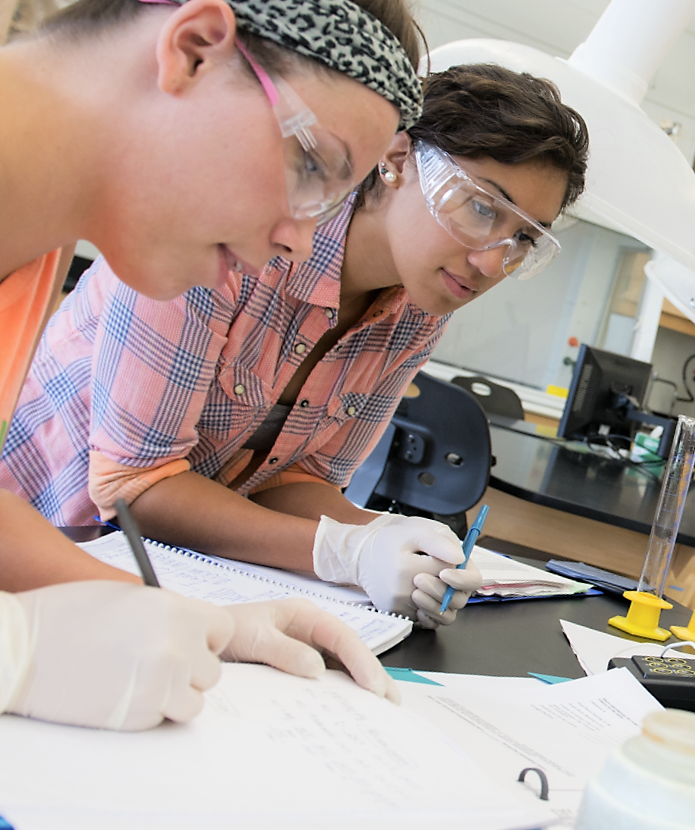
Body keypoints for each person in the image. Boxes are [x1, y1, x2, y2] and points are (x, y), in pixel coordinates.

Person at [1, 63, 588, 629]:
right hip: (44, 540)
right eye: (482, 207)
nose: (492, 262)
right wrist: (346, 553)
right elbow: (136, 486)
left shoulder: (418, 309)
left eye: (522, 240)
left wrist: (391, 542)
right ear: (397, 158)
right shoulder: (238, 235)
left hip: (168, 577)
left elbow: (296, 479)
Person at [0, 0, 425, 729]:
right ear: (195, 50)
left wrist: (176, 610)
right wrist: (19, 650)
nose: (297, 242)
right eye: (309, 165)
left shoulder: (33, 247)